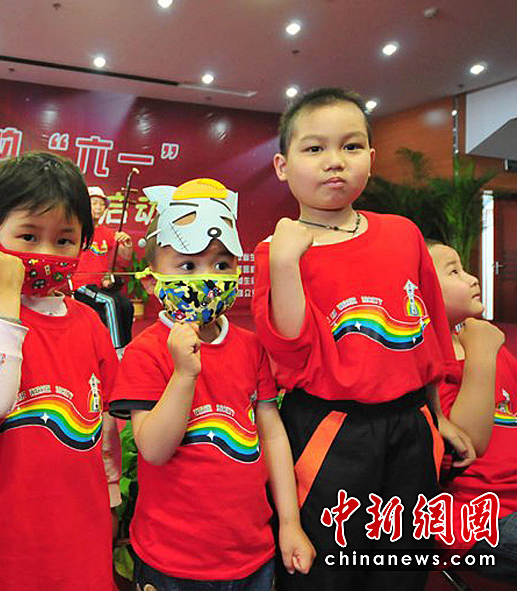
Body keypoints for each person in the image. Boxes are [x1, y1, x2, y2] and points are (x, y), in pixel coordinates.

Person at [251, 87, 475, 590]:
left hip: (411, 426)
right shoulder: (277, 249)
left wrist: (438, 417)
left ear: (371, 159)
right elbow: (290, 352)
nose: (335, 161)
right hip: (330, 432)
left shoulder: (403, 233)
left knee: (403, 566)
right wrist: (285, 262)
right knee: (325, 572)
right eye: (315, 148)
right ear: (283, 166)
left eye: (351, 146)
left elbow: (430, 334)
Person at [110, 178, 315, 591]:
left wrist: (289, 522)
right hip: (173, 562)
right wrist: (184, 375)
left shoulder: (251, 347)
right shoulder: (146, 352)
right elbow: (153, 449)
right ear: (151, 282)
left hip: (252, 555)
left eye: (222, 265)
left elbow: (272, 434)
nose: (208, 277)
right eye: (188, 265)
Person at [0, 151, 121, 590]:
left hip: (82, 541)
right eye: (28, 236)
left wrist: (113, 491)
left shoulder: (89, 324)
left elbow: (109, 419)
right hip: (5, 548)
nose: (45, 253)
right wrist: (5, 296)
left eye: (64, 240)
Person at [429, 241, 517, 582]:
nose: (472, 278)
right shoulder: (429, 362)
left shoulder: (492, 346)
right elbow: (468, 444)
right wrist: (481, 351)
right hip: (476, 514)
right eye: (454, 271)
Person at [72, 186, 136, 355]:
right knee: (109, 302)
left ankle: (126, 347)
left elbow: (125, 258)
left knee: (126, 305)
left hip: (101, 286)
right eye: (94, 203)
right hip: (81, 285)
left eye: (102, 204)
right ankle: (115, 350)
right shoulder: (76, 230)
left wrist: (127, 244)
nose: (99, 208)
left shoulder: (108, 233)